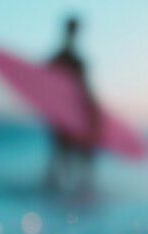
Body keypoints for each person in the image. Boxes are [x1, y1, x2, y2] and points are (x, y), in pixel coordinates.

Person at [45, 16, 100, 191]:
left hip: (69, 115)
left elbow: (85, 91)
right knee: (66, 155)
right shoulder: (67, 60)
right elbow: (85, 92)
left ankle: (60, 193)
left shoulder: (68, 60)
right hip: (66, 116)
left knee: (69, 156)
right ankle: (70, 192)